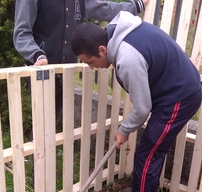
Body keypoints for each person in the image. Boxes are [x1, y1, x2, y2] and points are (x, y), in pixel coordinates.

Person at [71, 11, 202, 192]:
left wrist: (123, 130)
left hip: (179, 98)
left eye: (91, 62)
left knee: (147, 154)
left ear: (102, 49)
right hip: (171, 92)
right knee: (151, 150)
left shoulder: (127, 58)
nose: (92, 67)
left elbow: (142, 108)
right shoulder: (115, 32)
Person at [13, 0, 148, 123]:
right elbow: (21, 33)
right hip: (42, 72)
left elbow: (104, 9)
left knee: (52, 124)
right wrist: (37, 54)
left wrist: (136, 6)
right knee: (42, 126)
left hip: (66, 71)